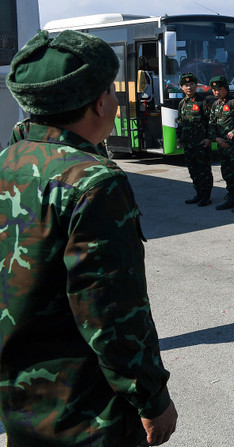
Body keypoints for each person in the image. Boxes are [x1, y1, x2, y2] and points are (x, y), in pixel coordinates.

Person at [0, 30, 177, 445]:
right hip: (85, 409)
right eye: (112, 92)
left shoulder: (8, 159)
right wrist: (151, 397)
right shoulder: (93, 181)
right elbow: (111, 309)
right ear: (99, 103)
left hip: (18, 398)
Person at [208, 75, 234, 212]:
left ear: (226, 88)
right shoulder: (215, 105)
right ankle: (231, 199)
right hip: (222, 146)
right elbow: (211, 124)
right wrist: (216, 138)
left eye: (219, 89)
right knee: (227, 173)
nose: (217, 92)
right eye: (214, 90)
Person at [176, 72, 213, 207]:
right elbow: (180, 122)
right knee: (193, 170)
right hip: (188, 143)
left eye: (191, 84)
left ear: (196, 86)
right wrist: (179, 138)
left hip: (201, 143)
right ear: (182, 87)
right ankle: (198, 193)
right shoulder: (182, 103)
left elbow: (211, 121)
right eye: (186, 85)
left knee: (204, 170)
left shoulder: (203, 102)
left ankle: (206, 196)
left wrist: (209, 138)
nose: (189, 87)